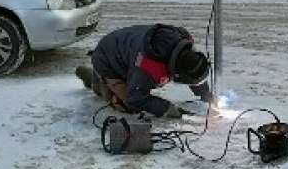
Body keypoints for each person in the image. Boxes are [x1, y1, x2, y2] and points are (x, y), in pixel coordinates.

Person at [76, 24, 213, 118]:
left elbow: (192, 69)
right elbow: (135, 98)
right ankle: (96, 80)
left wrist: (205, 94)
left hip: (127, 48)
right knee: (129, 106)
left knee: (136, 81)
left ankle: (100, 78)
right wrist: (167, 109)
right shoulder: (148, 66)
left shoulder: (184, 40)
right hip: (107, 58)